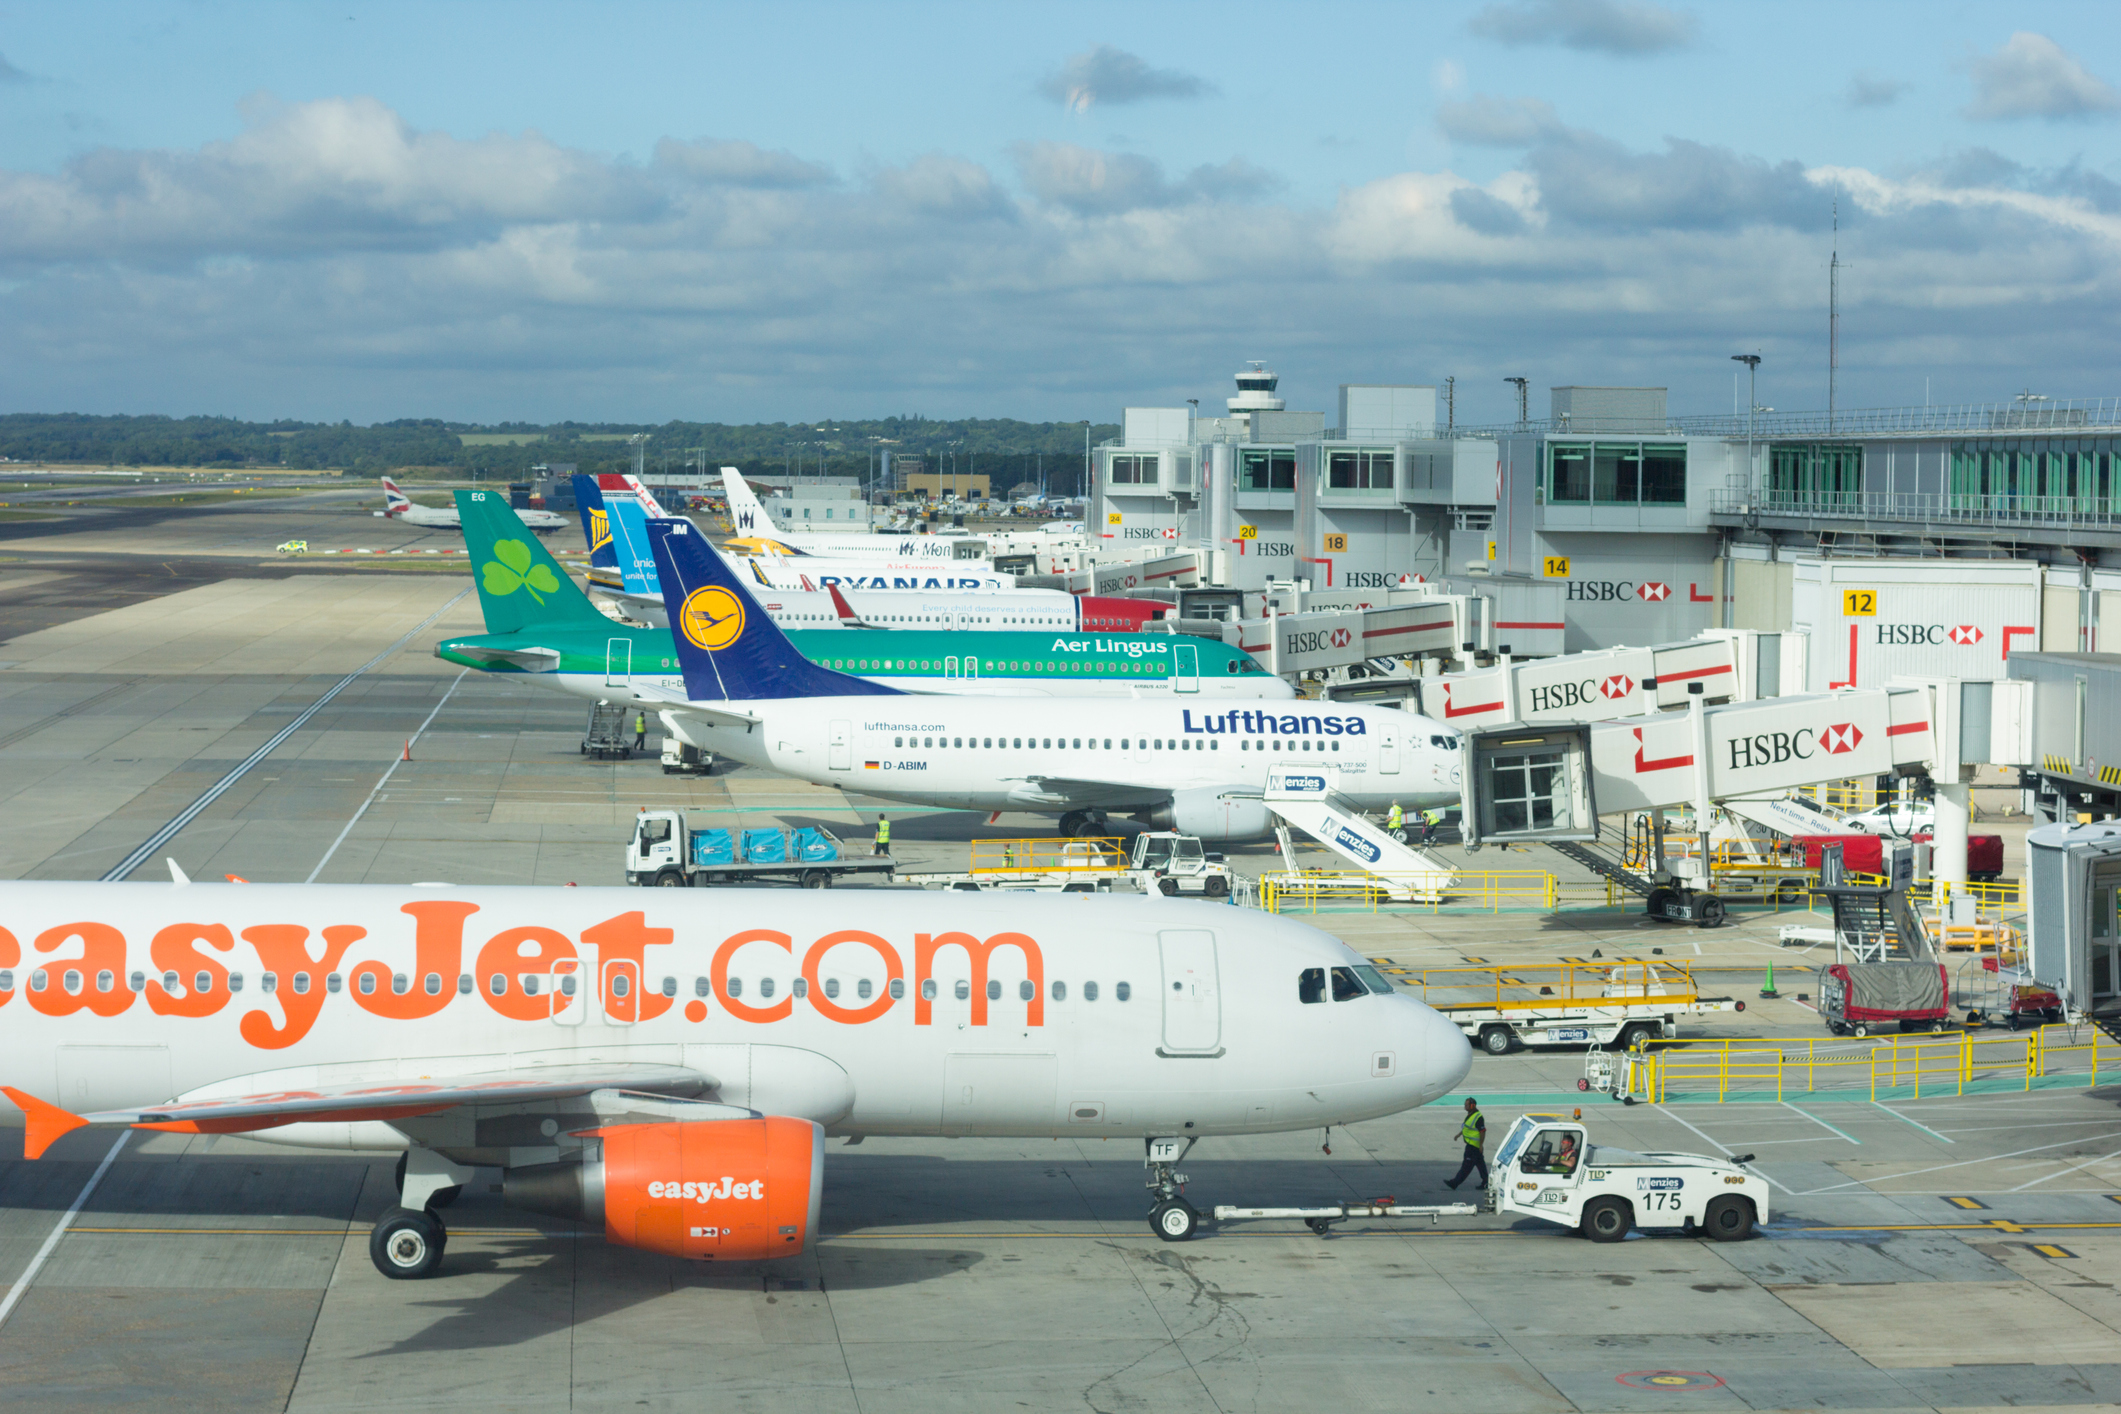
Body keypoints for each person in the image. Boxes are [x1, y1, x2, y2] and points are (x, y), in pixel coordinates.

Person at [1443, 1097, 1487, 1191]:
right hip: (1473, 1146)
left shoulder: (1478, 1117)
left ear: (1472, 1105)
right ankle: (1486, 1182)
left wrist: (1480, 1145)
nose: (1465, 1106)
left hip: (1473, 1147)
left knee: (1466, 1167)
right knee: (1481, 1165)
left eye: (1466, 1105)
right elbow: (1467, 1128)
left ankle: (1454, 1183)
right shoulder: (1470, 1115)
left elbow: (1482, 1132)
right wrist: (1459, 1135)